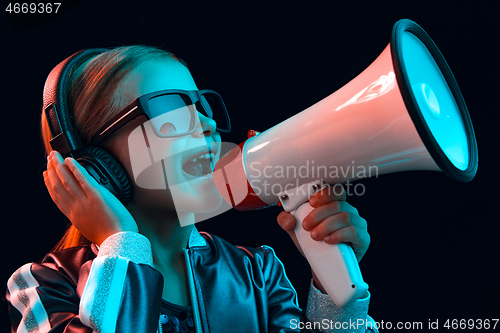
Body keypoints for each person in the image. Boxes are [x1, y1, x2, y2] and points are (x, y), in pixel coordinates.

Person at [6, 45, 377, 333]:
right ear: (97, 165)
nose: (206, 123)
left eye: (201, 104)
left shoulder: (257, 272)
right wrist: (121, 244)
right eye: (170, 109)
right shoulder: (40, 286)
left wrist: (335, 287)